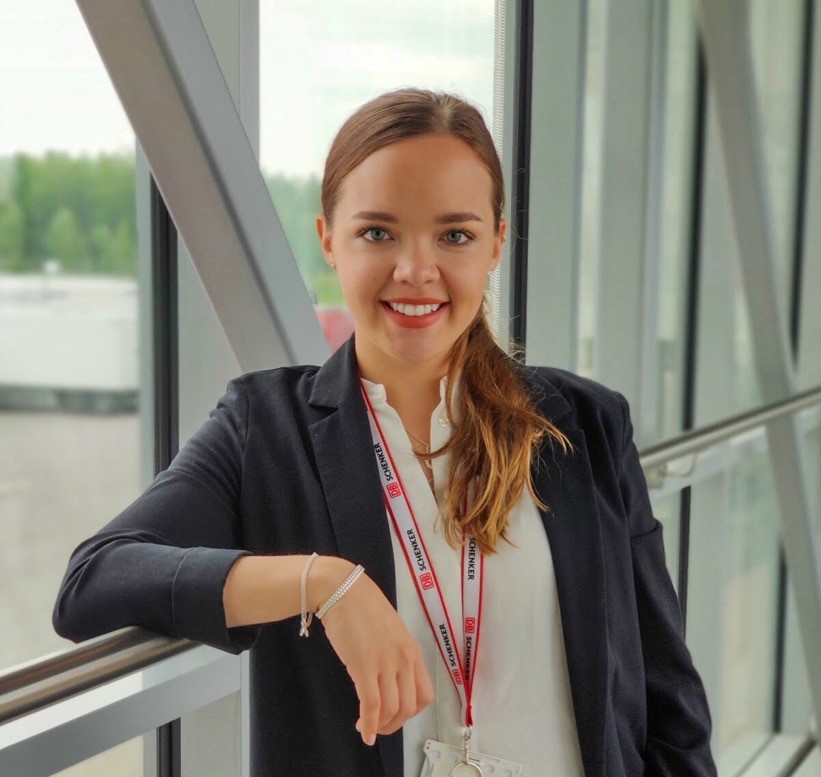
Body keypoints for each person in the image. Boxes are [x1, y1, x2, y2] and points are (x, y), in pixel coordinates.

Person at [53, 87, 717, 777]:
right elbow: (93, 580)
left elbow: (669, 697)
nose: (415, 271)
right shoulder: (268, 428)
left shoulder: (585, 425)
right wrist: (323, 583)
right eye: (377, 233)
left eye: (454, 235)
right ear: (328, 240)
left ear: (496, 242)